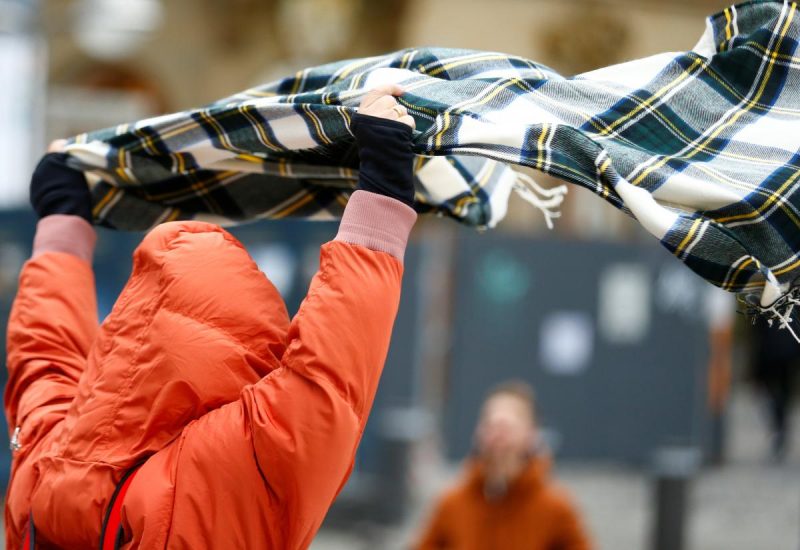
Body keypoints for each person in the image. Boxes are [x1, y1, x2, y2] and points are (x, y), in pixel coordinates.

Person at [5, 84, 417, 549]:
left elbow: (45, 354)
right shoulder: (230, 465)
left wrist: (61, 214)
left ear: (129, 322)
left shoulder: (47, 456)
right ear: (253, 342)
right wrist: (384, 187)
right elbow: (324, 380)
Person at [415, 381, 592, 550]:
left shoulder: (556, 507)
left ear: (532, 432)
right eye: (490, 421)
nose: (498, 431)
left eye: (511, 421)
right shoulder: (452, 504)